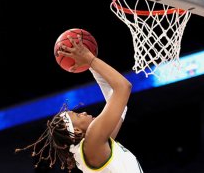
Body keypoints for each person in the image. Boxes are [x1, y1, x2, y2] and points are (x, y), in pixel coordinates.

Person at [15, 34, 144, 173]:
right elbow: (123, 87)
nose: (83, 113)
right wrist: (91, 60)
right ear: (76, 130)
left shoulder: (94, 144)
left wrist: (91, 66)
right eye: (77, 115)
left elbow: (120, 106)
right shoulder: (93, 140)